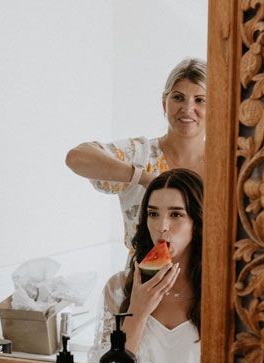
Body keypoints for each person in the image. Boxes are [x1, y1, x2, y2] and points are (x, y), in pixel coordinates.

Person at [65, 58, 206, 251]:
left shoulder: (227, 163)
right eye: (178, 97)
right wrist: (143, 178)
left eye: (200, 100)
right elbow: (76, 157)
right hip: (141, 279)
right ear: (164, 103)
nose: (188, 109)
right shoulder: (140, 154)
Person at [89, 169, 203, 363]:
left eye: (176, 214)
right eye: (153, 214)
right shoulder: (118, 288)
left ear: (197, 222)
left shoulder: (221, 290)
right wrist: (138, 312)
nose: (162, 227)